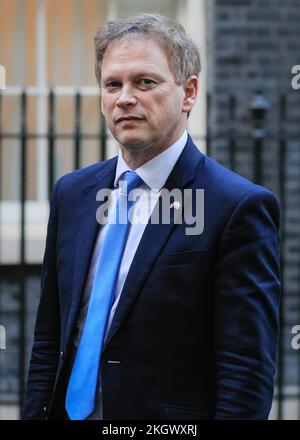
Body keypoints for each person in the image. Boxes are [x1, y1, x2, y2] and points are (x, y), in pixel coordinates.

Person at [22, 13, 281, 420]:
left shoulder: (236, 207)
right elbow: (49, 338)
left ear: (189, 92)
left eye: (145, 82)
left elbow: (245, 374)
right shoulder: (72, 193)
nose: (125, 97)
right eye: (113, 84)